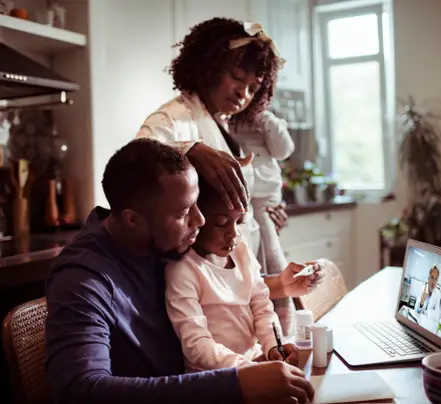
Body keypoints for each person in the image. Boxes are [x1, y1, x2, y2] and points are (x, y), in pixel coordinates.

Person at [45, 139, 315, 404]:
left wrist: (192, 147)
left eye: (197, 204)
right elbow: (79, 391)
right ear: (132, 220)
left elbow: (214, 289)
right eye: (184, 212)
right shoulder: (83, 279)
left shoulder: (161, 238)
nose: (200, 220)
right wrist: (236, 383)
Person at [136, 18, 315, 302]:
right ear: (209, 66)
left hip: (237, 269)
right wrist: (189, 149)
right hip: (197, 280)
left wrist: (261, 211)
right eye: (236, 76)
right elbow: (136, 159)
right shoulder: (175, 117)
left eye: (253, 88)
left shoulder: (227, 126)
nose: (242, 93)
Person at [166, 175, 318, 371]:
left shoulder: (242, 253)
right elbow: (197, 345)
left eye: (239, 222)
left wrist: (273, 346)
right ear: (196, 217)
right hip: (214, 377)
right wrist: (248, 368)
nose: (234, 233)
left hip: (253, 362)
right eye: (221, 223)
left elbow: (262, 309)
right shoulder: (183, 270)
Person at [232, 110, 295, 335]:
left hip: (267, 198)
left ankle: (284, 331)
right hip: (243, 197)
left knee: (271, 259)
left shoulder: (266, 120)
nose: (244, 93)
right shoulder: (221, 121)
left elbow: (284, 149)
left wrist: (266, 121)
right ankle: (277, 333)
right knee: (255, 264)